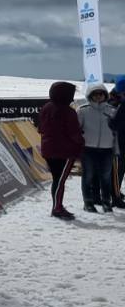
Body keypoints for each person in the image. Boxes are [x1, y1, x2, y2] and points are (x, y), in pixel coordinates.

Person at [36, 81, 84, 220]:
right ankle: (57, 208)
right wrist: (82, 143)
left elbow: (40, 128)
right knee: (60, 181)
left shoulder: (46, 107)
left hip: (48, 149)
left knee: (57, 179)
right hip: (65, 151)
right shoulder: (68, 111)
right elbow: (74, 133)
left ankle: (57, 206)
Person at [78, 83, 116, 212]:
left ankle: (106, 201)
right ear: (90, 95)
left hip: (107, 149)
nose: (98, 96)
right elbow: (77, 130)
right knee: (88, 175)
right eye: (95, 94)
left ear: (105, 95)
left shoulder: (111, 111)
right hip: (88, 149)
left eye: (101, 94)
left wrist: (116, 149)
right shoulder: (83, 110)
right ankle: (88, 202)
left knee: (105, 176)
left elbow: (116, 132)